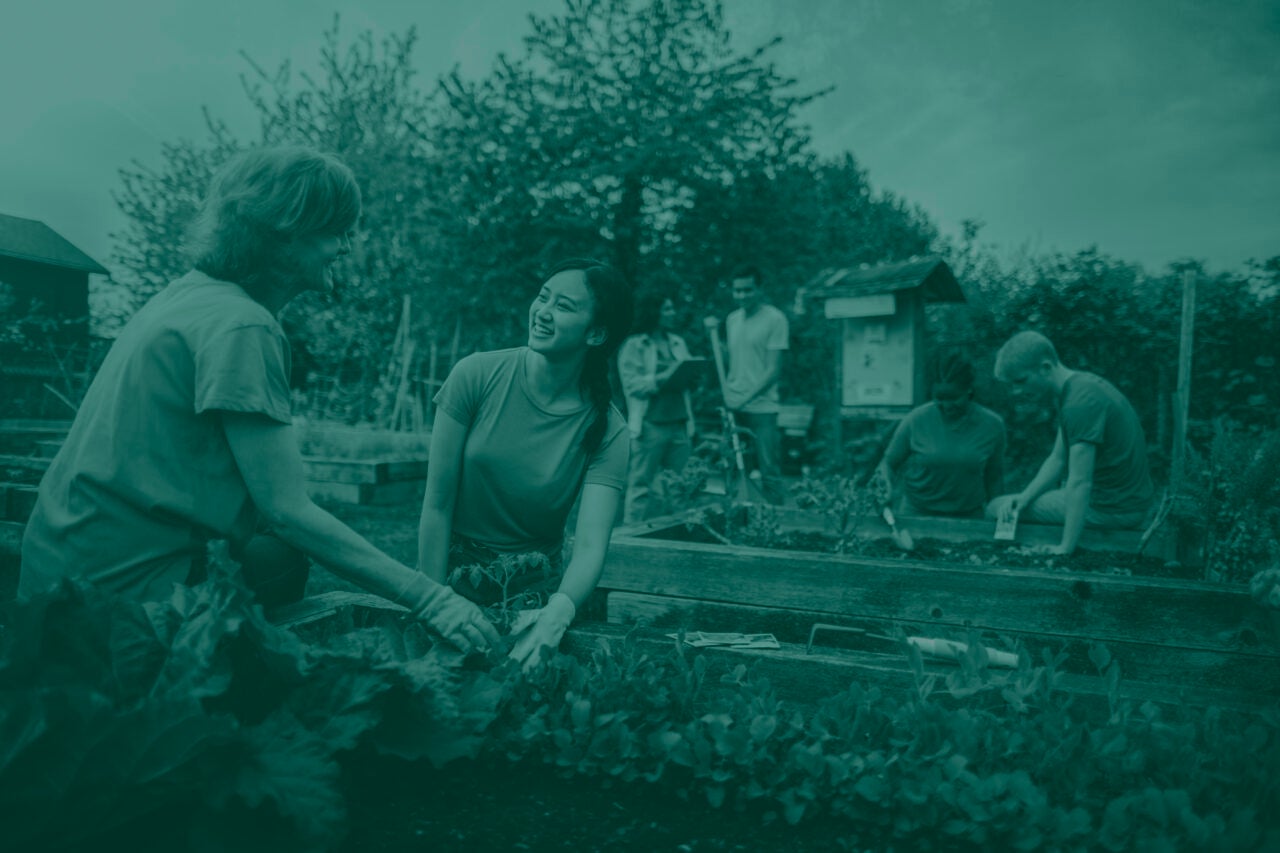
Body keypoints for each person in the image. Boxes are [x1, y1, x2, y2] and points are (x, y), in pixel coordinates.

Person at [19, 146, 498, 655]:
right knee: (283, 555)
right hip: (121, 603)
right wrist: (430, 597)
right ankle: (218, 688)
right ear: (283, 231)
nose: (344, 245)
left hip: (56, 576)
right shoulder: (243, 326)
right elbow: (288, 510)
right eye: (334, 230)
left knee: (264, 545)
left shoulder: (184, 296)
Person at [417, 258, 633, 668]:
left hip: (533, 587)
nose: (543, 311)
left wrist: (558, 613)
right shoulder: (475, 375)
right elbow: (437, 504)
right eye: (543, 297)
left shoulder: (608, 430)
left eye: (564, 306)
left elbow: (589, 544)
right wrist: (432, 598)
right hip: (453, 572)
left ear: (597, 333)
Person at [986, 330, 1154, 554]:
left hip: (1113, 508)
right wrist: (1024, 498)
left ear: (1045, 368)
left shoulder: (1079, 403)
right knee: (1012, 505)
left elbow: (1080, 482)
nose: (1017, 391)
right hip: (1122, 502)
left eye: (1021, 381)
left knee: (994, 508)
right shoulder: (1078, 389)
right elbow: (1057, 459)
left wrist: (1065, 547)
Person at [875, 352, 1007, 518]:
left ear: (969, 390)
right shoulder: (915, 420)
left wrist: (1000, 520)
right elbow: (888, 463)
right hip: (917, 514)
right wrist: (884, 484)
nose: (946, 405)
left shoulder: (992, 426)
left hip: (969, 516)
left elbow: (994, 478)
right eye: (939, 398)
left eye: (953, 398)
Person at [616, 293, 697, 523]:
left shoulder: (678, 343)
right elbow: (632, 385)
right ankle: (631, 538)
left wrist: (692, 376)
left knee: (681, 486)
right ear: (654, 312)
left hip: (679, 424)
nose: (672, 314)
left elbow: (686, 377)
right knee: (641, 485)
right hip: (651, 426)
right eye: (667, 309)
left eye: (672, 309)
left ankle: (682, 534)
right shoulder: (635, 345)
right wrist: (664, 377)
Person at [721, 264, 789, 503]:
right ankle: (739, 521)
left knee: (769, 471)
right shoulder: (732, 320)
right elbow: (735, 364)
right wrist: (732, 396)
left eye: (747, 290)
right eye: (737, 291)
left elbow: (773, 369)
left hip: (763, 409)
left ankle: (777, 525)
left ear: (760, 289)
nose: (742, 296)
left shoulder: (775, 319)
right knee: (734, 469)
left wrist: (746, 397)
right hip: (734, 408)